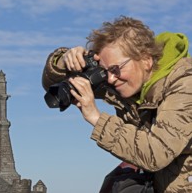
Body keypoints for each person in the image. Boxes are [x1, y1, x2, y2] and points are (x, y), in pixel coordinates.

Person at [42, 16, 192, 192]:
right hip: (161, 182)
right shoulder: (127, 83)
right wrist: (64, 60)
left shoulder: (184, 84)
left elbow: (156, 153)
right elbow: (51, 86)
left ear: (146, 60)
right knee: (118, 182)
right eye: (105, 72)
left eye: (115, 69)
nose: (111, 79)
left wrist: (96, 118)